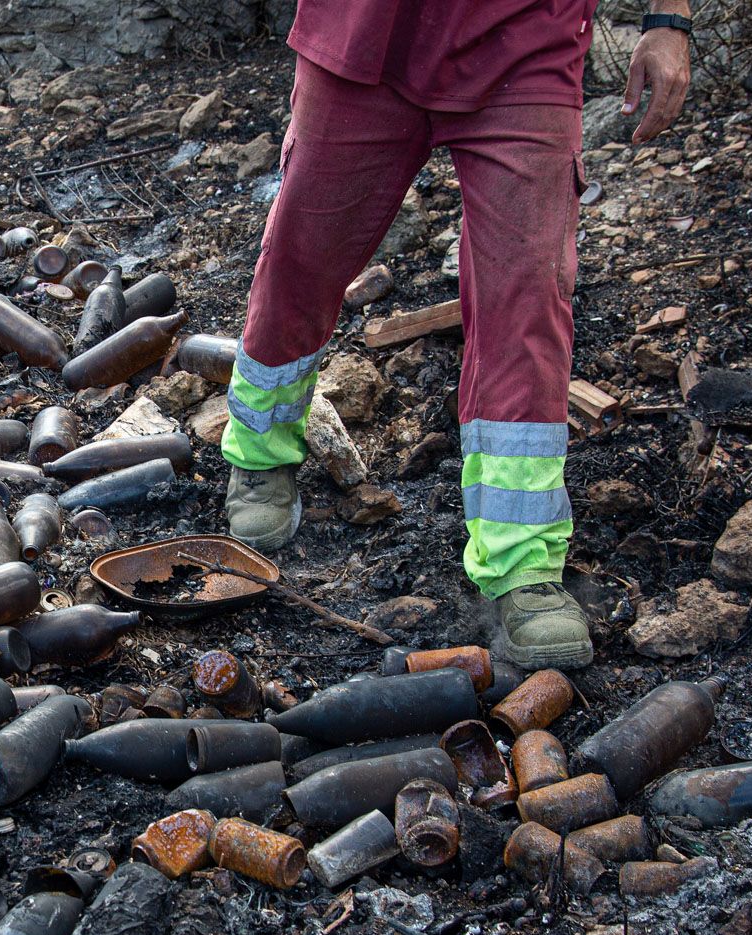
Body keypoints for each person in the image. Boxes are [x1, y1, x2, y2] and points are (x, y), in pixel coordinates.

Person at [221, 0, 692, 669]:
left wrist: (669, 19)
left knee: (526, 289)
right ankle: (261, 453)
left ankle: (522, 559)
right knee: (304, 251)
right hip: (365, 30)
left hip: (525, 35)